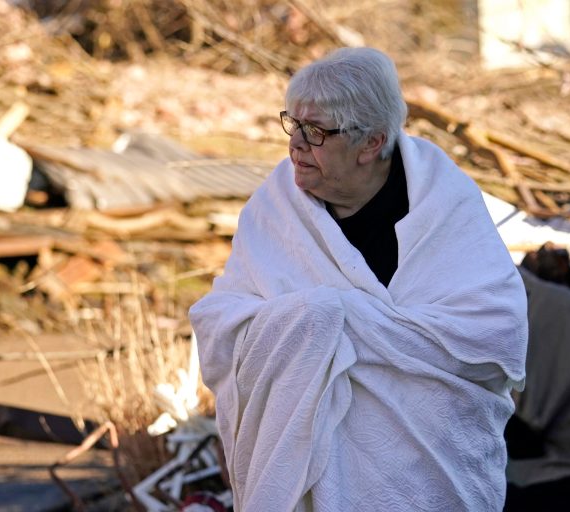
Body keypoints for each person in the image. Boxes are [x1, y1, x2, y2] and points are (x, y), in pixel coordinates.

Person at [189, 47, 528, 511]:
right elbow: (220, 320)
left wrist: (348, 321)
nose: (296, 145)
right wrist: (312, 321)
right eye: (293, 124)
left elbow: (493, 331)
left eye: (316, 132)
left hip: (430, 480)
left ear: (371, 143)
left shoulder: (445, 207)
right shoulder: (275, 208)